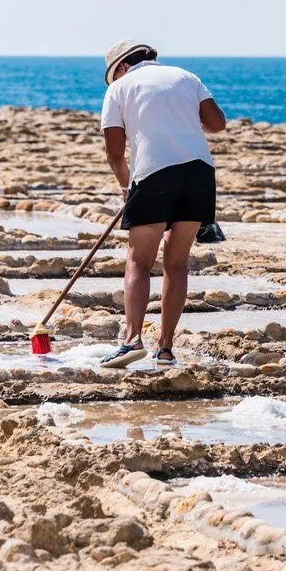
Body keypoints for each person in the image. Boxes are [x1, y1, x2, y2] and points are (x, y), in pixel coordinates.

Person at [98, 40, 226, 368]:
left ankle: (131, 341)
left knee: (139, 262)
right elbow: (217, 124)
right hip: (200, 173)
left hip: (154, 174)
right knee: (177, 263)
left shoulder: (119, 89)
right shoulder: (186, 77)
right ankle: (166, 349)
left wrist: (127, 187)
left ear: (121, 68)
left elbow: (114, 151)